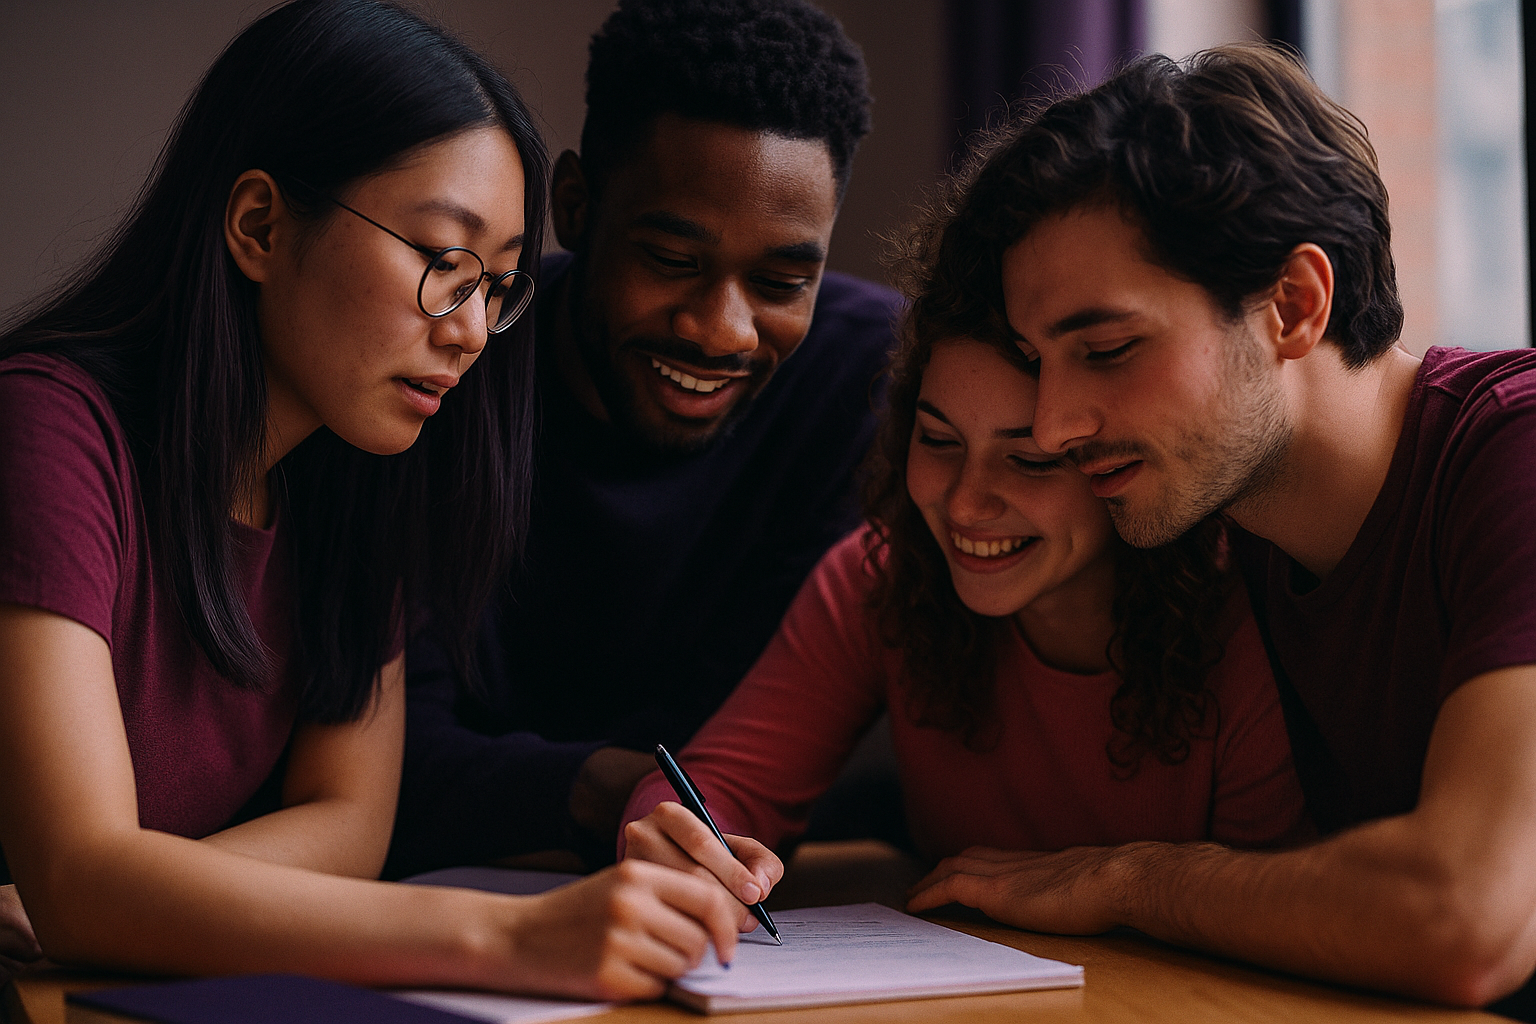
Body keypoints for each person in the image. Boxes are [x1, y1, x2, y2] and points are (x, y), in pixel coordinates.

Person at [0, 0, 745, 1000]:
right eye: (445, 261)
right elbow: (83, 879)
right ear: (260, 225)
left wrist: (129, 898)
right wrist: (506, 939)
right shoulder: (48, 428)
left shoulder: (353, 476)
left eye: (500, 284)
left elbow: (349, 824)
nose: (475, 330)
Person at [880, 44, 1536, 1014]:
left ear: (1295, 306)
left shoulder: (1512, 454)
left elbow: (1467, 919)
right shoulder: (1219, 527)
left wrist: (1131, 878)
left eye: (1107, 350)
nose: (1055, 425)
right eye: (1038, 359)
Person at [617, 247, 1309, 912]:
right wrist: (674, 838)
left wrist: (1116, 886)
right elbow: (723, 783)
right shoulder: (882, 577)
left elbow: (1271, 908)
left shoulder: (1246, 615)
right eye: (939, 441)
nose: (965, 503)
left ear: (1117, 464)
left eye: (1030, 462)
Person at [389, 0, 901, 877]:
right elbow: (384, 757)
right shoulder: (445, 371)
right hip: (443, 902)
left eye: (782, 279)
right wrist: (606, 789)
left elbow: (761, 730)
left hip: (713, 901)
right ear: (577, 207)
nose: (722, 331)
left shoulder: (867, 380)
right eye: (672, 262)